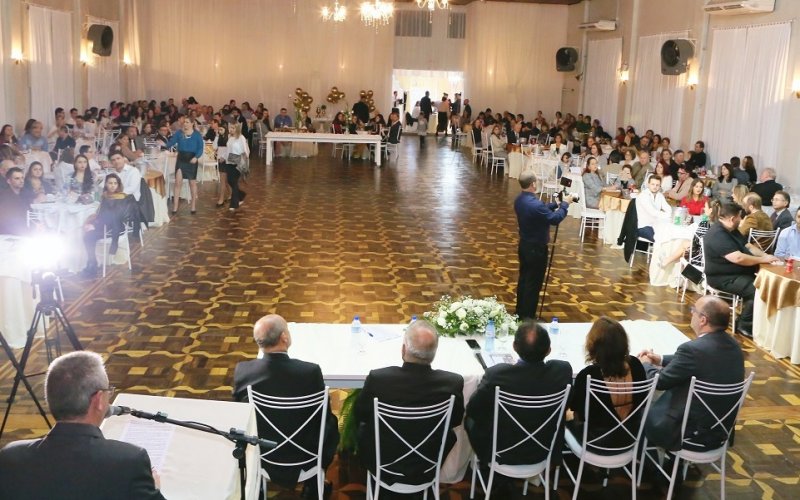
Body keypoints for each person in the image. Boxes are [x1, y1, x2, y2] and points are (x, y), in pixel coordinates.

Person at [0, 351, 164, 500]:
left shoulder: (10, 457)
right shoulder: (130, 460)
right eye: (109, 390)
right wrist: (154, 489)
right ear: (98, 400)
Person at [232, 314, 338, 499]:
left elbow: (239, 413)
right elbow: (323, 414)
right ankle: (315, 483)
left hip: (264, 450)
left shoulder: (244, 371)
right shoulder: (310, 372)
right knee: (331, 423)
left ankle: (257, 486)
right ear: (284, 337)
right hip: (306, 453)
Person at [353, 319, 464, 482]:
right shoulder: (452, 383)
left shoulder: (379, 379)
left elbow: (360, 414)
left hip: (383, 460)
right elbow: (455, 420)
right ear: (434, 353)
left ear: (404, 349)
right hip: (428, 462)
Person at [638, 296, 744, 451]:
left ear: (703, 320)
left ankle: (646, 462)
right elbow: (700, 360)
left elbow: (659, 382)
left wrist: (645, 364)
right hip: (720, 429)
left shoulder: (692, 350)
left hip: (689, 432)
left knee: (638, 409)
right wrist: (659, 359)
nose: (691, 313)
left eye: (693, 310)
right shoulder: (734, 346)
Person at [466, 321, 571, 465]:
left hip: (500, 450)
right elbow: (566, 406)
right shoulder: (562, 371)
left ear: (514, 347)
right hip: (544, 447)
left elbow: (473, 410)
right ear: (549, 350)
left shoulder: (498, 375)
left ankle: (482, 464)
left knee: (470, 419)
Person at [569, 317, 647, 454]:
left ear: (593, 345)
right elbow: (642, 401)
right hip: (629, 439)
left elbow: (578, 412)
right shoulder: (636, 366)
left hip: (595, 442)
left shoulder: (588, 375)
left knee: (562, 414)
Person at [703, 202, 780, 337]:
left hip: (736, 274)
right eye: (740, 217)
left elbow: (748, 246)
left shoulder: (731, 230)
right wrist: (762, 260)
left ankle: (751, 320)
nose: (741, 220)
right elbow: (738, 258)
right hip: (722, 278)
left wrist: (765, 256)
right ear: (732, 219)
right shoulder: (717, 234)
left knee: (765, 285)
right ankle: (744, 324)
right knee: (758, 290)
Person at [514, 171, 573, 320]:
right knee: (533, 284)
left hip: (524, 245)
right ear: (533, 184)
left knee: (524, 279)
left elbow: (541, 210)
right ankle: (528, 317)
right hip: (537, 249)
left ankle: (520, 312)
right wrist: (565, 205)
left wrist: (556, 204)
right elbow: (554, 219)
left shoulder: (520, 200)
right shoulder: (535, 204)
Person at [81, 173, 136, 277]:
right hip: (105, 226)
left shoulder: (120, 198)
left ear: (118, 185)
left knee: (88, 237)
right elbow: (102, 215)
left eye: (115, 183)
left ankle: (92, 263)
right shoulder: (106, 196)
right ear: (106, 184)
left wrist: (95, 226)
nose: (113, 185)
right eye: (110, 183)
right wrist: (92, 223)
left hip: (115, 229)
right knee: (87, 235)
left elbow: (113, 218)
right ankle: (92, 262)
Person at [165, 119, 203, 215]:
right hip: (181, 159)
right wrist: (163, 145)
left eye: (187, 122)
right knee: (178, 183)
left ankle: (193, 206)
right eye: (184, 122)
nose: (185, 124)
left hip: (192, 159)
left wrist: (196, 157)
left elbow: (200, 148)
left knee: (192, 183)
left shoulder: (197, 135)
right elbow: (171, 143)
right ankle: (175, 207)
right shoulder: (179, 133)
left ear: (192, 123)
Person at [636, 175, 671, 242]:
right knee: (660, 239)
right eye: (653, 184)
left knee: (669, 235)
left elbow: (668, 209)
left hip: (656, 224)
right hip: (643, 226)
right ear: (648, 184)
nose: (655, 187)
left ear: (660, 186)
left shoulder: (660, 195)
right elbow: (653, 212)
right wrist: (666, 215)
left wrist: (667, 214)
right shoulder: (643, 196)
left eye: (657, 185)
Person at [223, 123, 248, 212]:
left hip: (238, 161)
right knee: (230, 181)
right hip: (229, 161)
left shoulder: (241, 138)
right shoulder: (230, 138)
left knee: (234, 182)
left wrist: (243, 163)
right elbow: (228, 150)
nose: (231, 129)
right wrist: (223, 157)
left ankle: (234, 204)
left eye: (233, 128)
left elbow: (245, 151)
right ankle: (241, 195)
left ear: (237, 129)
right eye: (230, 128)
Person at [0, 167, 30, 235]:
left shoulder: (25, 193)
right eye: (17, 178)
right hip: (8, 233)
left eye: (22, 178)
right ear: (9, 181)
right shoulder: (3, 197)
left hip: (24, 229)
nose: (21, 181)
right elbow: (8, 221)